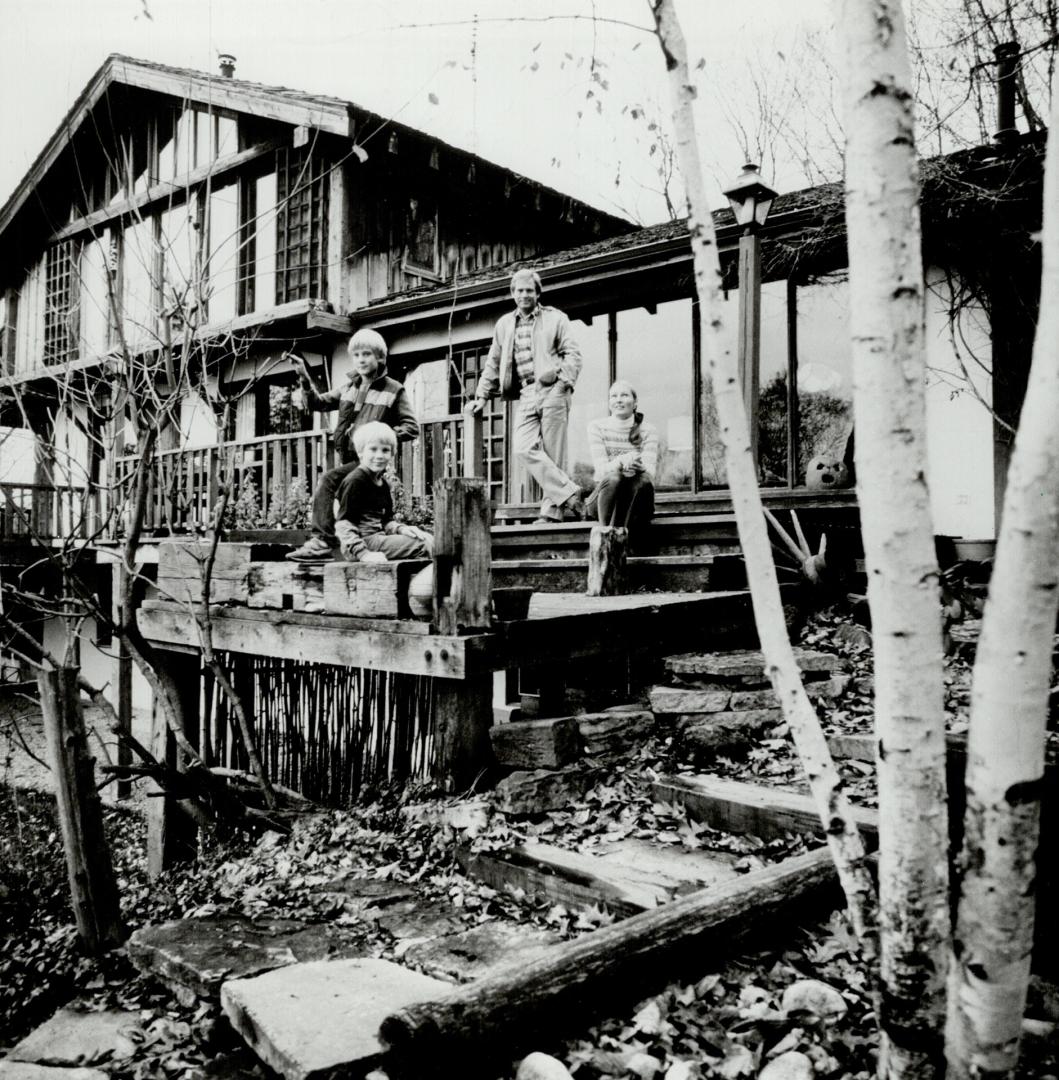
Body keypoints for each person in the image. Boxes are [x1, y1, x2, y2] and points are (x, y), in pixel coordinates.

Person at [286, 329, 418, 562]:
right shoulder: (348, 387)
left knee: (328, 480)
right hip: (349, 459)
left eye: (366, 354)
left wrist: (379, 437)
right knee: (348, 501)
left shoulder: (393, 390)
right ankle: (349, 542)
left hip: (368, 461)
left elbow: (411, 427)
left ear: (380, 358)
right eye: (356, 355)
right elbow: (318, 403)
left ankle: (322, 542)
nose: (361, 360)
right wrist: (305, 378)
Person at [466, 269, 583, 523]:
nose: (524, 295)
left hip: (553, 389)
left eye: (529, 290)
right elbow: (493, 363)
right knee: (522, 447)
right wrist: (482, 396)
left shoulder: (556, 318)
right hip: (526, 392)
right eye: (519, 290)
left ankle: (551, 514)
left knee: (554, 454)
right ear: (512, 293)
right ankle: (569, 492)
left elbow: (573, 354)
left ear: (538, 293)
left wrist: (564, 384)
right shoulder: (504, 324)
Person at [333, 422, 433, 562]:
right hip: (360, 544)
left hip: (377, 538)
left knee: (428, 538)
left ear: (392, 453)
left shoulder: (383, 483)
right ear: (360, 452)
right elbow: (343, 524)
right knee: (422, 545)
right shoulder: (356, 481)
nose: (379, 455)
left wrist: (401, 529)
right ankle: (421, 583)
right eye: (373, 449)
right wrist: (364, 554)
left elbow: (386, 521)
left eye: (385, 450)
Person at [585, 380, 658, 548]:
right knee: (614, 478)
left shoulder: (649, 430)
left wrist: (637, 465)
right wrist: (621, 461)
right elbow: (601, 470)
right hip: (605, 501)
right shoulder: (597, 427)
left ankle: (619, 542)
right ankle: (606, 538)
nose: (618, 400)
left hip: (636, 501)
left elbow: (651, 472)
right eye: (614, 396)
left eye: (624, 395)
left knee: (644, 480)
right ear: (609, 403)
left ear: (635, 403)